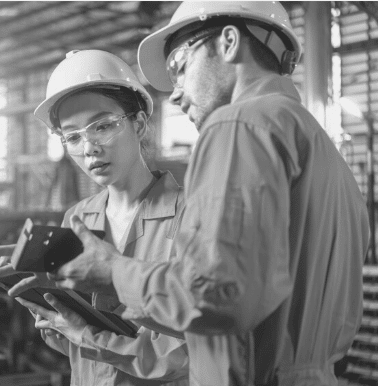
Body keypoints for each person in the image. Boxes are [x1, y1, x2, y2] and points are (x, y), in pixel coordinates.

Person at [28, 2, 370, 386]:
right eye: (72, 136)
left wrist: (112, 272)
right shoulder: (325, 153)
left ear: (228, 42)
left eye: (179, 65)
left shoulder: (240, 124)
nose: (174, 95)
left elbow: (216, 297)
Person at [0, 49, 189, 386]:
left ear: (139, 124)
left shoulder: (190, 214)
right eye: (73, 136)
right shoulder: (78, 219)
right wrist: (48, 308)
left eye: (103, 126)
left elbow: (186, 354)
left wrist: (86, 334)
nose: (89, 147)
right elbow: (76, 347)